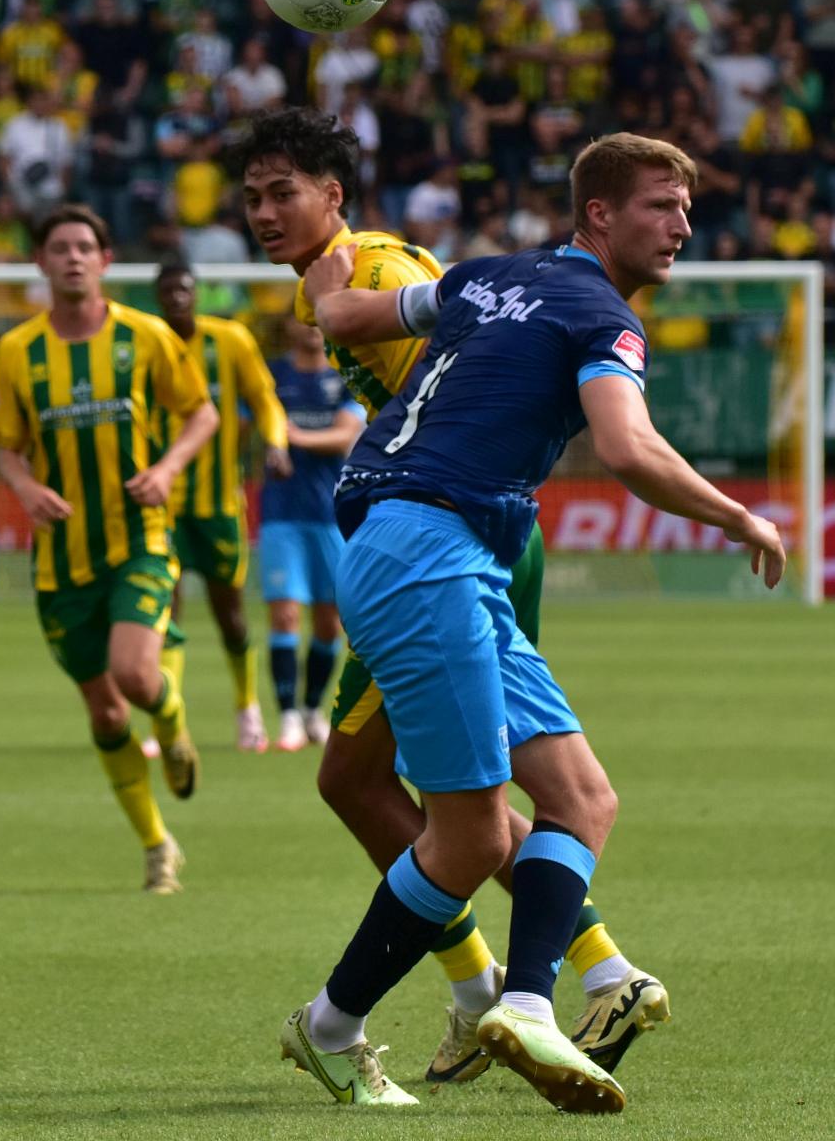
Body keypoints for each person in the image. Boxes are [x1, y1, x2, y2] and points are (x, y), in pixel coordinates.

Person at [284, 133, 785, 1111]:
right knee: (467, 837)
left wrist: (324, 273)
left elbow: (344, 314)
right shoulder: (602, 314)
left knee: (582, 797)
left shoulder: (479, 278)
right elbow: (628, 446)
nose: (682, 224)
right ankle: (332, 1025)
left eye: (685, 207)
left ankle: (523, 1003)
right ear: (597, 213)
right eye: (659, 206)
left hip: (436, 547)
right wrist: (737, 514)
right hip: (431, 551)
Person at [231, 108, 668, 1095]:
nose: (263, 213)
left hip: (443, 538)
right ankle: (557, 977)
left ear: (332, 195)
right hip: (429, 534)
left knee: (450, 798)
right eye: (251, 198)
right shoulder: (331, 280)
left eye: (281, 192)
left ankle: (532, 982)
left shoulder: (380, 268)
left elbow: (452, 396)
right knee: (359, 778)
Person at [0, 205, 217, 894]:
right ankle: (156, 845)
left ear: (106, 260)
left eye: (86, 246)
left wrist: (169, 468)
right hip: (61, 558)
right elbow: (5, 444)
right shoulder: (17, 351)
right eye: (59, 248)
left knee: (137, 679)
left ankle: (172, 722)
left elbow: (200, 411)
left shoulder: (144, 336)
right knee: (106, 711)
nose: (73, 258)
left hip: (138, 538)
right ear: (41, 262)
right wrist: (25, 488)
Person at [151, 262, 290, 754]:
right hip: (161, 505)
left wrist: (276, 442)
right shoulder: (146, 344)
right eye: (168, 290)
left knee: (229, 614)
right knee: (164, 613)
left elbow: (264, 397)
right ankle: (167, 719)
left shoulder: (229, 341)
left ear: (197, 294)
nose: (177, 298)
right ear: (158, 297)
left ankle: (247, 707)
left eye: (185, 289)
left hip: (217, 505)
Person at [260, 315, 365, 754]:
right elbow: (255, 423)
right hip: (281, 514)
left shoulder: (346, 377)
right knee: (284, 615)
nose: (313, 327)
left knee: (329, 623)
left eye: (320, 319)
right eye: (303, 319)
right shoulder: (273, 376)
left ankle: (311, 709)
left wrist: (291, 437)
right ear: (288, 326)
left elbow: (345, 436)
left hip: (333, 515)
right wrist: (271, 444)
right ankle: (285, 715)